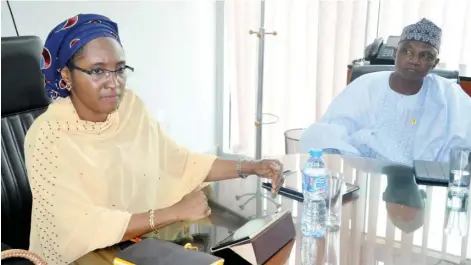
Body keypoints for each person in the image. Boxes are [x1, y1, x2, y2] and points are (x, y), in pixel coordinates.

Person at [26, 14, 284, 265]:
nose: (113, 83)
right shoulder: (48, 136)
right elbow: (81, 226)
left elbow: (178, 162)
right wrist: (174, 212)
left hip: (132, 246)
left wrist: (248, 166)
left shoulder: (129, 107)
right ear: (66, 76)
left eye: (119, 69)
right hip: (80, 258)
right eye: (97, 71)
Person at [300, 18, 471, 165]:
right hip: (366, 176)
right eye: (407, 51)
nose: (414, 60)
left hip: (424, 186)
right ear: (395, 53)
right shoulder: (365, 86)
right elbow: (330, 133)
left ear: (435, 63)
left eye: (425, 56)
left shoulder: (449, 96)